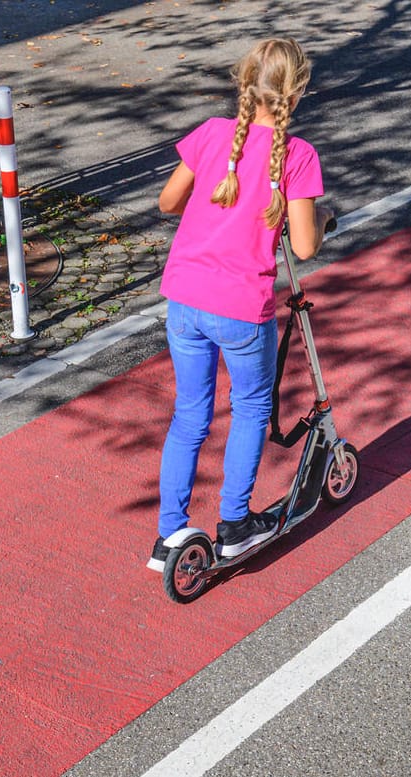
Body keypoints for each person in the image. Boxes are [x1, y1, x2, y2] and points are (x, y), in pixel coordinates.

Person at [148, 38, 334, 572]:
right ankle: (233, 523)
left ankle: (169, 533)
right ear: (296, 93)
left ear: (244, 83)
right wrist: (319, 219)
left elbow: (167, 202)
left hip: (184, 298)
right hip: (239, 309)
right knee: (250, 407)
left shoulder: (210, 135)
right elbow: (302, 246)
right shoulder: (297, 157)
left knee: (190, 415)